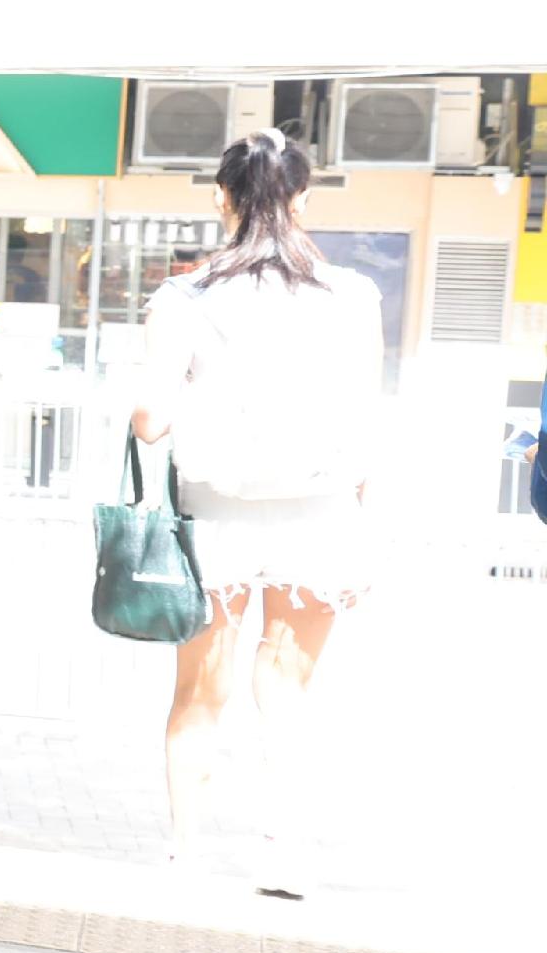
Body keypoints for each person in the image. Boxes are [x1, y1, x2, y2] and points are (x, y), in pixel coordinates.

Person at [129, 128, 385, 878]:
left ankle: (184, 848)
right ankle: (285, 855)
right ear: (302, 201)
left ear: (220, 198)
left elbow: (151, 420)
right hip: (320, 515)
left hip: (216, 516)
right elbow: (368, 425)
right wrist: (371, 528)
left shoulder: (183, 298)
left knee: (200, 693)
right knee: (287, 686)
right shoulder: (354, 296)